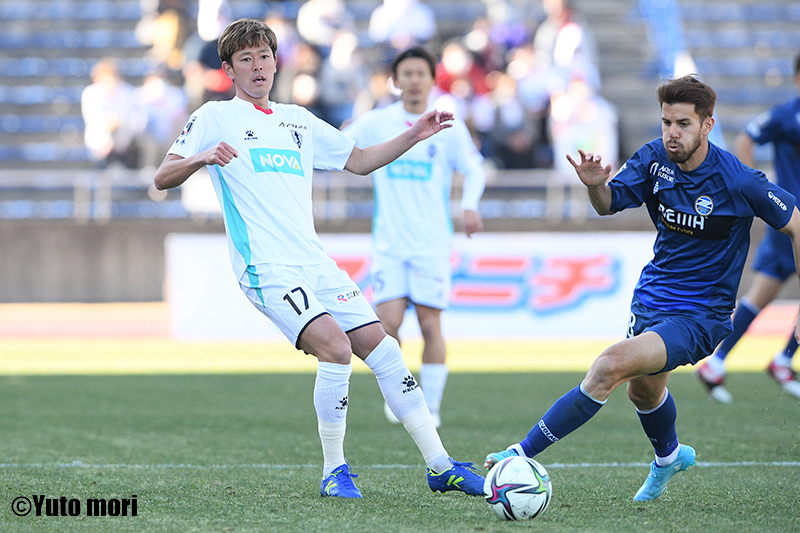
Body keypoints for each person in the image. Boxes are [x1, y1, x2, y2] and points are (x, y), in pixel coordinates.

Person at [153, 18, 484, 499]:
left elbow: (360, 161)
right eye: (245, 59)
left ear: (275, 62)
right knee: (335, 348)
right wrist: (200, 158)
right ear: (228, 69)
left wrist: (413, 135)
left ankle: (440, 465)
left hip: (314, 262)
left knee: (384, 349)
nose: (257, 66)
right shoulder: (213, 116)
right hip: (265, 267)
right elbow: (162, 177)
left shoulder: (298, 120)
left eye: (264, 56)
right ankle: (334, 472)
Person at [484, 75, 800, 502]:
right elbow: (608, 204)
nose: (672, 133)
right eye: (667, 122)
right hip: (652, 296)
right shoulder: (654, 160)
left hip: (701, 315)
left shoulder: (739, 181)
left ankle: (519, 453)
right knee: (643, 390)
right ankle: (669, 457)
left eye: (683, 124)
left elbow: (797, 225)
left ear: (707, 125)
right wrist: (595, 185)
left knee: (609, 366)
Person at [343, 46, 486, 428]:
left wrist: (469, 204)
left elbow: (475, 168)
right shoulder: (377, 122)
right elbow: (338, 145)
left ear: (432, 79)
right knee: (386, 326)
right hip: (389, 243)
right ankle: (403, 395)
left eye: (421, 73)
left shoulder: (447, 124)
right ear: (395, 80)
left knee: (430, 325)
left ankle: (430, 408)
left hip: (431, 243)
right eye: (407, 73)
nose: (414, 80)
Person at [695, 54, 800, 403]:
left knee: (761, 294)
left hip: (789, 220)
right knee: (761, 292)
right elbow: (745, 140)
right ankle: (783, 359)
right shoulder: (786, 115)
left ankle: (717, 362)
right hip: (792, 219)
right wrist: (755, 191)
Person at [81, 57, 146, 169]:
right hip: (101, 139)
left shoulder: (129, 92)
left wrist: (119, 123)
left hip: (126, 138)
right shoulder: (90, 93)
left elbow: (136, 120)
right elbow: (93, 119)